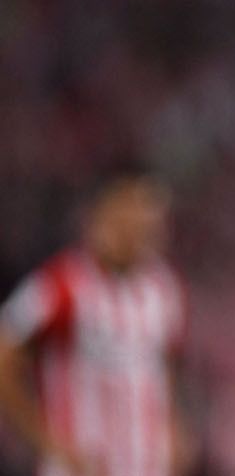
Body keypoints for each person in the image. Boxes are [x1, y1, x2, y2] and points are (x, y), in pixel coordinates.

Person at [0, 171, 192, 476]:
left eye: (149, 216)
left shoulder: (163, 289)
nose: (141, 226)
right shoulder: (61, 284)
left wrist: (173, 425)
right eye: (129, 214)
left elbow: (163, 363)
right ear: (99, 217)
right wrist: (47, 442)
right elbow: (3, 357)